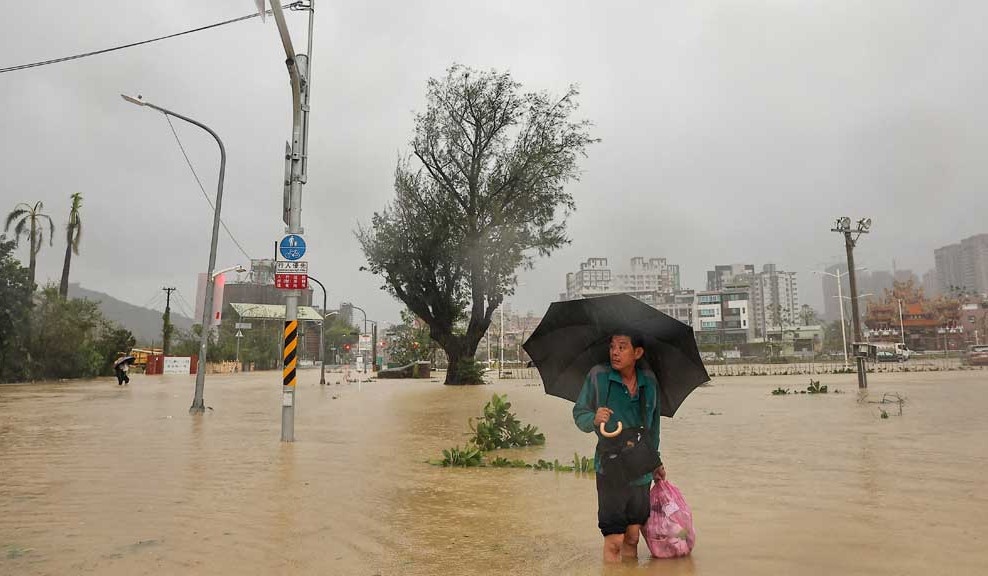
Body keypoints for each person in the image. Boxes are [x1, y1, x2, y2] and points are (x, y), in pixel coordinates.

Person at [573, 332, 665, 562]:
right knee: (614, 540)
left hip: (640, 467)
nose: (615, 352)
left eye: (622, 347)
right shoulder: (598, 376)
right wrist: (594, 418)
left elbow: (653, 427)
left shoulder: (649, 381)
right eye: (612, 347)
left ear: (638, 352)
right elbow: (579, 412)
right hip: (610, 466)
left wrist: (656, 462)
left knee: (632, 537)